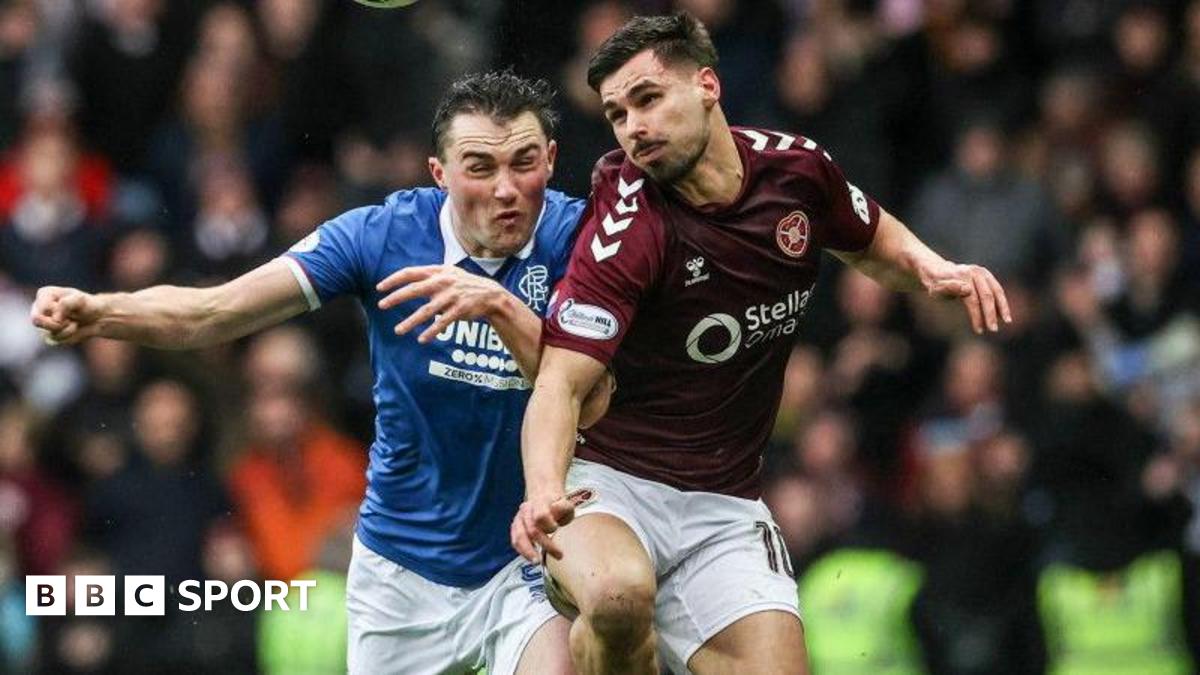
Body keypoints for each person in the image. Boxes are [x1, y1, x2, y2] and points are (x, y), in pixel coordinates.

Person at [31, 71, 611, 675]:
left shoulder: (578, 240)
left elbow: (588, 396)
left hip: (523, 559)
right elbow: (216, 311)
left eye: (524, 164)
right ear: (439, 174)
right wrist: (103, 311)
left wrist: (498, 305)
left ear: (551, 158)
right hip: (398, 568)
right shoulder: (380, 235)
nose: (506, 190)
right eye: (479, 168)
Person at [510, 13, 1011, 675]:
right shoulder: (628, 229)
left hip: (725, 501)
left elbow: (868, 234)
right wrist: (543, 490)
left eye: (648, 99)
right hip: (611, 486)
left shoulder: (798, 171)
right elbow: (559, 382)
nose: (634, 127)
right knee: (622, 598)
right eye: (617, 114)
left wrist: (931, 267)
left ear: (708, 86)